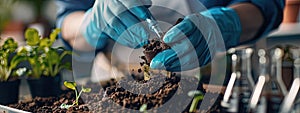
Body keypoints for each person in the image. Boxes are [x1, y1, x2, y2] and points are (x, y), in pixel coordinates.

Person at [56, 0, 284, 72]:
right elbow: (67, 21)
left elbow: (266, 6)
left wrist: (223, 25)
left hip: (215, 74)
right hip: (117, 77)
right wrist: (92, 22)